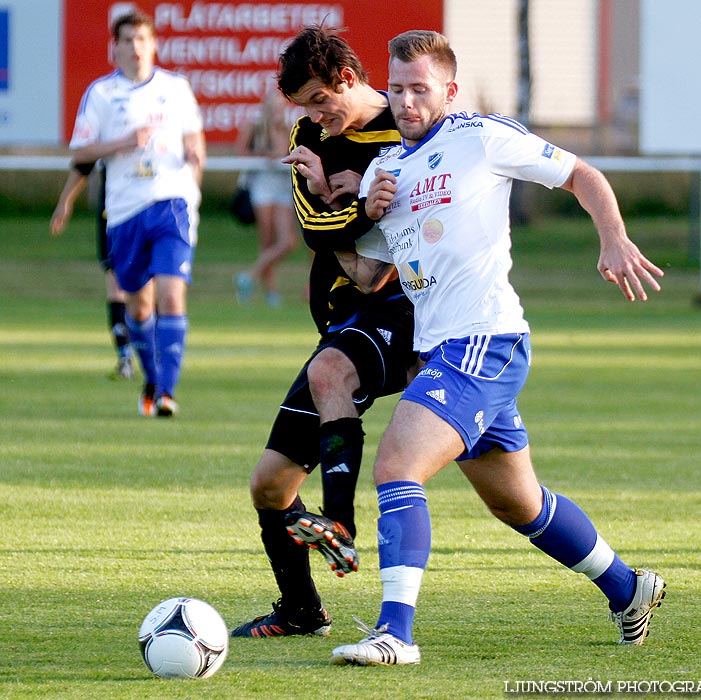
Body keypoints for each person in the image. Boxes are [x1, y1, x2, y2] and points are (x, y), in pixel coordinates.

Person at [328, 30, 667, 666]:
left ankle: (395, 633)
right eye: (396, 88)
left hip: (485, 338)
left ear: (448, 91)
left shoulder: (479, 137)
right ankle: (629, 587)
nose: (404, 101)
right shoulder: (384, 170)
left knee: (398, 465)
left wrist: (613, 238)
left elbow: (581, 174)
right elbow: (367, 276)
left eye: (419, 88)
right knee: (518, 503)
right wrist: (355, 212)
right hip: (441, 351)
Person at [229, 25, 417, 639]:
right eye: (303, 107)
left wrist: (351, 208)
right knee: (270, 485)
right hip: (341, 319)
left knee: (330, 371)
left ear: (345, 79)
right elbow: (313, 226)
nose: (313, 118)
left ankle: (340, 520)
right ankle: (303, 609)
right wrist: (352, 203)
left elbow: (383, 262)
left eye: (318, 100)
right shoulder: (309, 133)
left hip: (403, 309)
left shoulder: (407, 126)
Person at [69, 10, 205, 417]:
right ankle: (152, 378)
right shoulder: (101, 94)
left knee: (171, 293)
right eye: (127, 40)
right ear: (116, 48)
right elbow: (80, 153)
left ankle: (166, 392)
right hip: (125, 211)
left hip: (172, 203)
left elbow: (194, 137)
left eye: (142, 39)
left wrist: (196, 161)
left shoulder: (176, 88)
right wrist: (121, 142)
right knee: (139, 307)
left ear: (154, 44)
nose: (136, 47)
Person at [51, 162, 134, 380]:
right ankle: (126, 358)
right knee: (116, 286)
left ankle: (152, 361)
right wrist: (65, 201)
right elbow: (85, 160)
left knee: (150, 288)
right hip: (114, 211)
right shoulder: (107, 131)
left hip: (151, 209)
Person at [233, 89, 301, 308]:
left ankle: (249, 276)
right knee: (267, 241)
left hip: (282, 187)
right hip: (262, 188)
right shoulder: (255, 126)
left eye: (281, 106)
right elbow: (241, 153)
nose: (277, 110)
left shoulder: (289, 129)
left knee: (287, 241)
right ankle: (271, 292)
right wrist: (263, 156)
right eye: (273, 105)